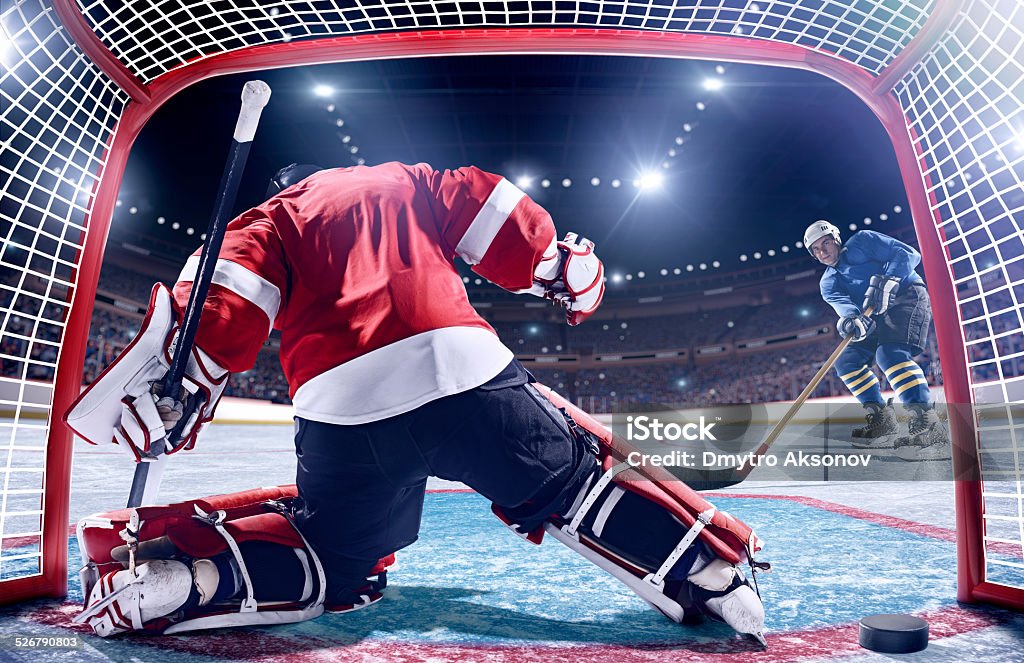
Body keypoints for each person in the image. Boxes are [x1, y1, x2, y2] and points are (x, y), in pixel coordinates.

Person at [66, 162, 767, 643]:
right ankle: (707, 571)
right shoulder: (404, 178)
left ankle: (189, 578)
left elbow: (226, 303)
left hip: (343, 411)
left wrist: (189, 378)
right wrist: (563, 268)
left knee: (338, 557)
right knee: (572, 480)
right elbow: (501, 219)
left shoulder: (267, 219)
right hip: (463, 372)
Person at [803, 220, 950, 460]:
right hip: (873, 316)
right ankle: (883, 421)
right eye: (816, 250)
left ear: (836, 239)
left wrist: (891, 278)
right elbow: (848, 311)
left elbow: (908, 253)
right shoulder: (828, 283)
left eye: (826, 243)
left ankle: (929, 425)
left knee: (889, 354)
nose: (823, 251)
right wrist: (852, 321)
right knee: (846, 361)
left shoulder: (863, 240)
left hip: (907, 296)